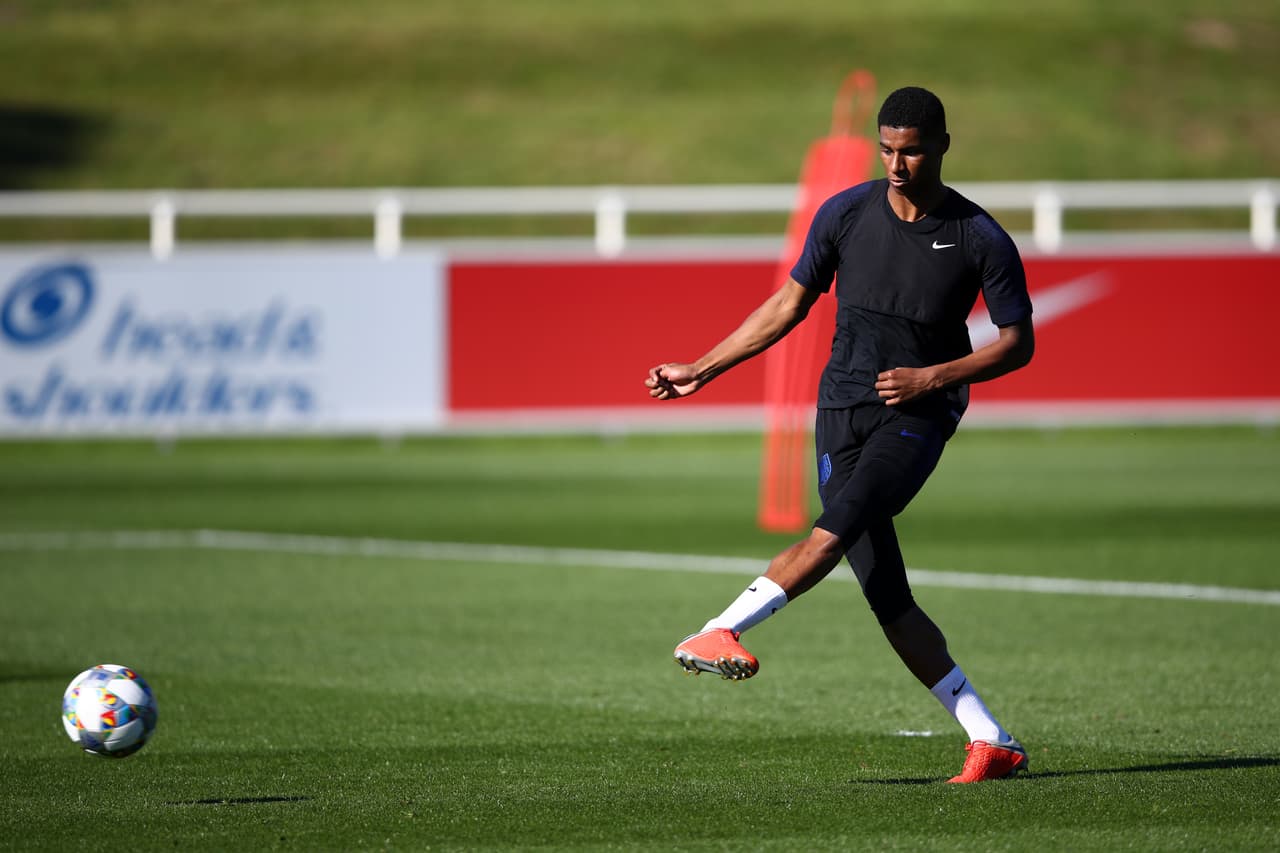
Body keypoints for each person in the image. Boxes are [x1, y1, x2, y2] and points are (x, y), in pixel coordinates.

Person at [644, 86, 1035, 784]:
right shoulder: (846, 213)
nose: (897, 165)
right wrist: (701, 368)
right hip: (839, 412)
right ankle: (990, 738)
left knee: (836, 525)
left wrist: (933, 377)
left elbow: (1017, 343)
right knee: (887, 594)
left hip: (917, 416)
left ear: (943, 146)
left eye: (911, 151)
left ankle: (720, 628)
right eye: (886, 150)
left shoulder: (979, 236)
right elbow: (788, 304)